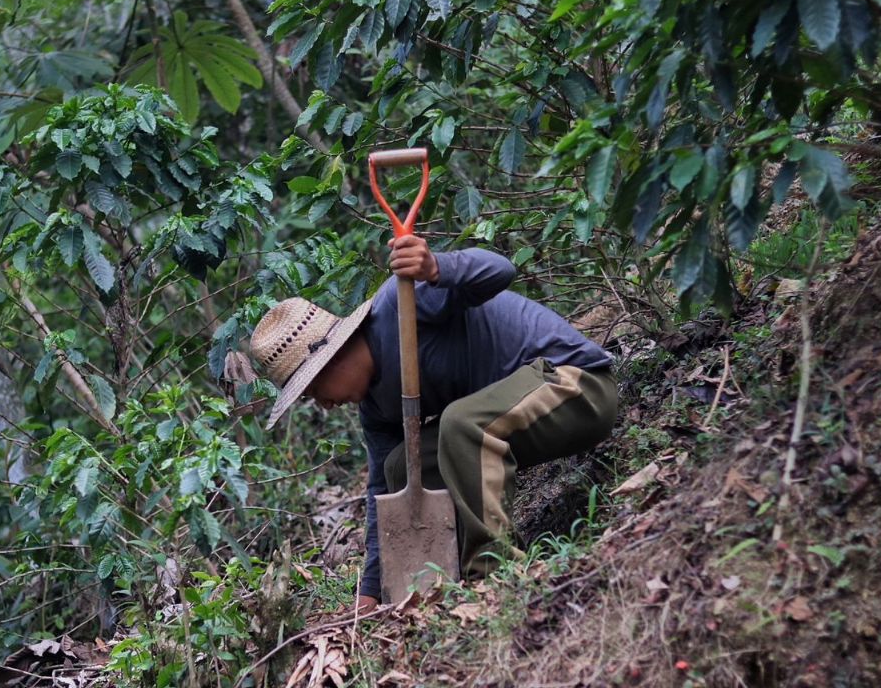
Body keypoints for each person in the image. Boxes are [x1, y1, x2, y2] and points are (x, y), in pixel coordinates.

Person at [250, 235, 618, 613]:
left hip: (576, 389)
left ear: (332, 357)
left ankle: (494, 575)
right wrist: (371, 590)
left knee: (459, 424)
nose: (325, 405)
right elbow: (385, 492)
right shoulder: (376, 408)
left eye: (315, 390)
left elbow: (501, 270)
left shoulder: (402, 301)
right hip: (516, 419)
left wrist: (436, 268)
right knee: (403, 465)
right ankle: (433, 586)